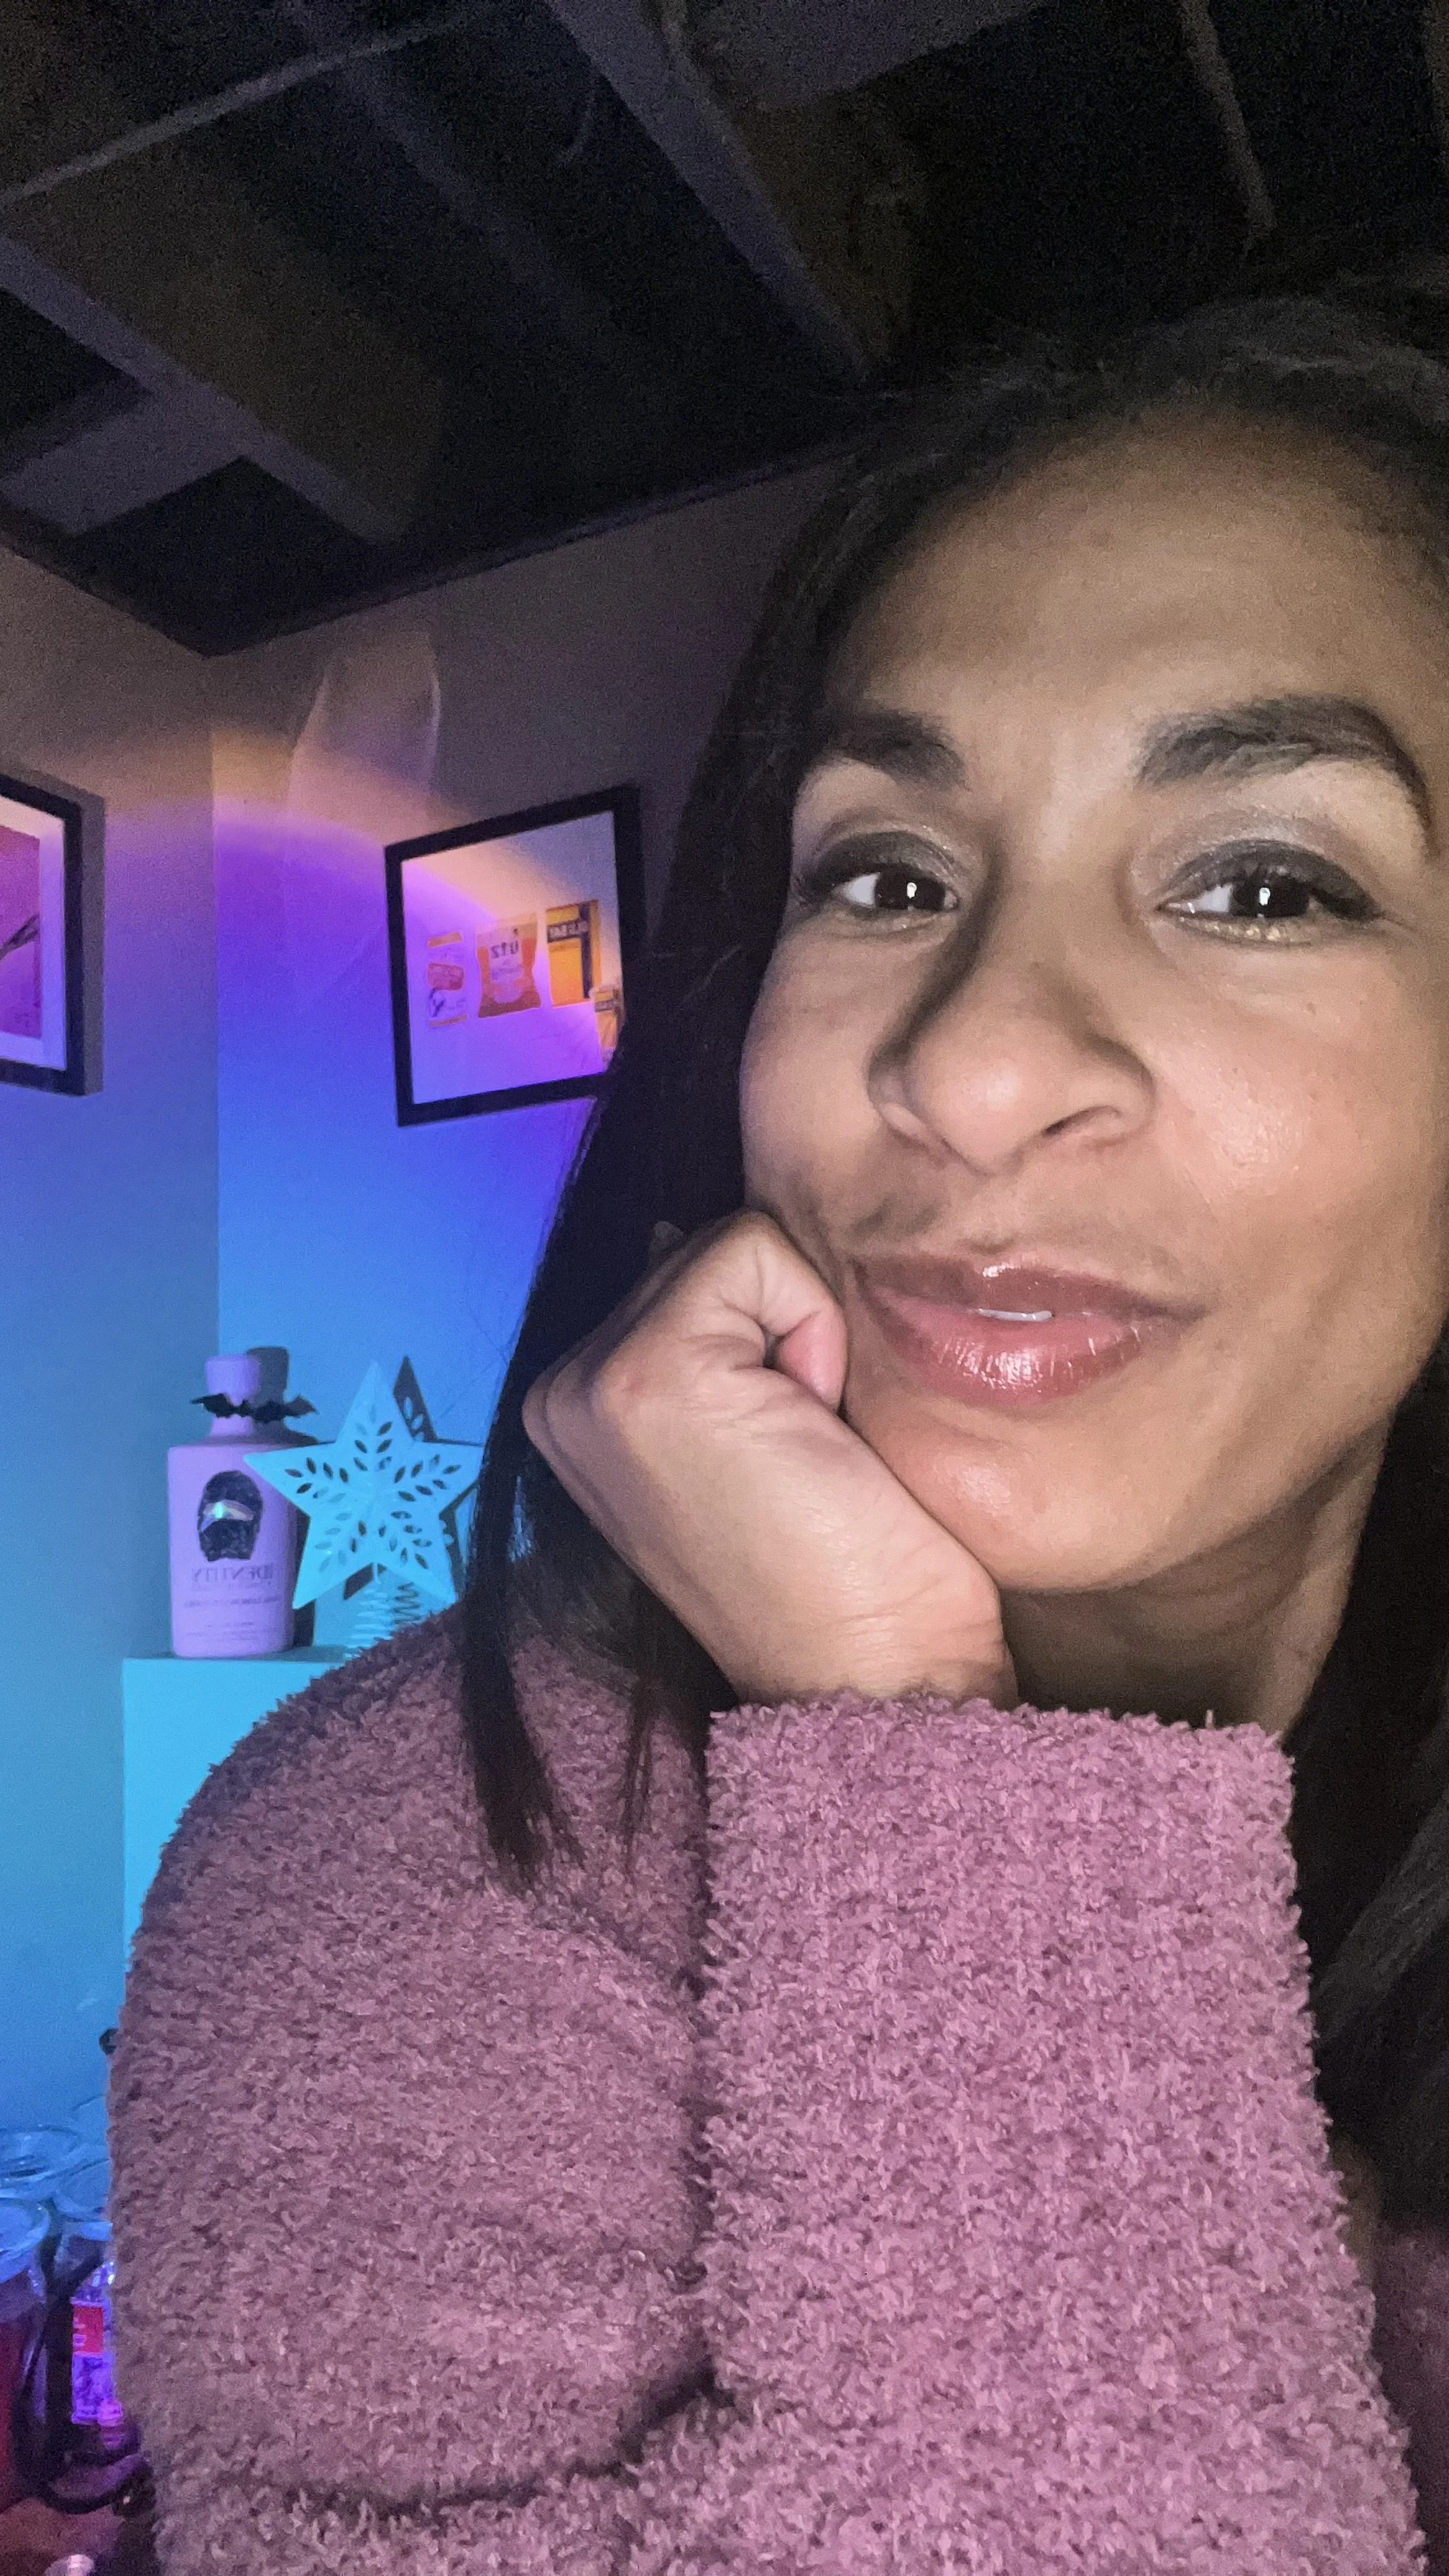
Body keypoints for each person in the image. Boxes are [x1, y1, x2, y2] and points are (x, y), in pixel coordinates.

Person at [111, 295, 1449, 2573]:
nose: (971, 1058)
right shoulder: (403, 1877)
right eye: (888, 875)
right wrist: (915, 1736)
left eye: (1262, 881)